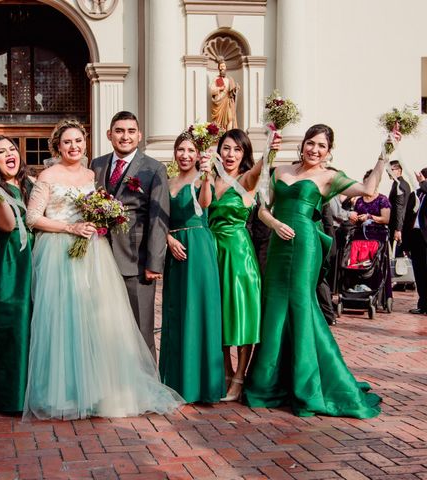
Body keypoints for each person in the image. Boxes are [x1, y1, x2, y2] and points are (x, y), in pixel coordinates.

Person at [23, 119, 183, 420]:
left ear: (86, 142)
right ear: (58, 145)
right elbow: (32, 218)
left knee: (102, 324)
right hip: (59, 254)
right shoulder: (50, 174)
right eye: (68, 141)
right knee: (64, 322)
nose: (74, 146)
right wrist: (71, 227)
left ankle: (108, 391)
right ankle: (67, 392)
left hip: (97, 254)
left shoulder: (90, 173)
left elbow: (148, 215)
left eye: (79, 141)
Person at [244, 123, 384, 418]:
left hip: (305, 244)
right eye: (311, 143)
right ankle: (268, 381)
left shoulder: (330, 177)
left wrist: (386, 153)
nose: (314, 150)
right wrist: (275, 225)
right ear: (303, 143)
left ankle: (308, 382)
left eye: (321, 146)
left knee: (300, 304)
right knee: (274, 306)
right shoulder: (280, 170)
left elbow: (369, 190)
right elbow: (262, 208)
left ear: (328, 152)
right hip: (278, 244)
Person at [208, 128, 280, 402]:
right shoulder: (209, 178)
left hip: (238, 254)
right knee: (220, 316)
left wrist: (271, 146)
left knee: (242, 314)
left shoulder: (247, 180)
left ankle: (240, 377)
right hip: (212, 252)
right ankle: (225, 372)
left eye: (237, 149)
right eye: (226, 148)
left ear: (244, 154)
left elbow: (262, 166)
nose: (230, 154)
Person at [90, 111, 169, 359]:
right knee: (106, 327)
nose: (125, 136)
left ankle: (147, 390)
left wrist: (154, 263)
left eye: (131, 131)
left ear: (139, 135)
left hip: (136, 261)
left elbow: (159, 218)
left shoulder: (154, 169)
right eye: (120, 131)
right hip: (101, 259)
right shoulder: (97, 164)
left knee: (141, 329)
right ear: (109, 134)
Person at [159, 132, 225, 404]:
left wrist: (207, 176)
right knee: (176, 311)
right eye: (180, 150)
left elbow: (206, 204)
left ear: (197, 154)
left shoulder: (203, 178)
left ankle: (203, 386)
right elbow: (159, 218)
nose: (185, 155)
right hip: (174, 247)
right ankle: (176, 381)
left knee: (199, 310)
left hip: (198, 245)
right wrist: (168, 239)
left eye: (189, 150)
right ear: (175, 153)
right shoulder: (167, 181)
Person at [0, 136, 33, 413]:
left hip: (36, 256)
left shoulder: (31, 184)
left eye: (12, 149)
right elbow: (7, 224)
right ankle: (11, 393)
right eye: (1, 151)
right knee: (11, 321)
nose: (9, 154)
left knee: (38, 321)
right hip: (9, 260)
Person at [348, 169, 393, 302]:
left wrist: (370, 216)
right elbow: (354, 215)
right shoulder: (359, 200)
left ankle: (381, 295)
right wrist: (354, 217)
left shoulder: (382, 199)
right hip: (360, 236)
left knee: (378, 264)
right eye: (367, 182)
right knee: (360, 265)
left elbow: (386, 219)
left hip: (377, 236)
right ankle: (358, 293)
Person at [402, 168, 427, 314]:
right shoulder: (415, 195)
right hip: (416, 236)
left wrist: (423, 182)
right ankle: (423, 304)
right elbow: (407, 219)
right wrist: (405, 244)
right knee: (419, 272)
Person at [209, 59, 239, 130]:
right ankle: (219, 134)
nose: (222, 68)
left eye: (223, 66)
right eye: (221, 66)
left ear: (226, 68)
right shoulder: (216, 79)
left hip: (228, 101)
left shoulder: (230, 79)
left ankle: (228, 134)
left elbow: (233, 91)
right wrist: (219, 89)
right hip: (219, 101)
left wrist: (236, 89)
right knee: (218, 122)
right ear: (219, 68)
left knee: (230, 118)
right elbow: (212, 90)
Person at [388, 161, 411, 249]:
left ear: (399, 170)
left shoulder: (400, 185)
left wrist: (398, 229)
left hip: (398, 227)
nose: (388, 172)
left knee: (397, 258)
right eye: (388, 170)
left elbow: (400, 208)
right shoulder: (398, 183)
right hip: (397, 225)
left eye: (391, 170)